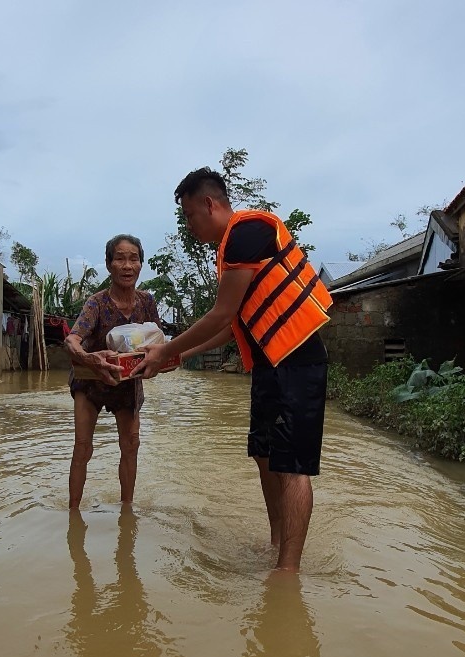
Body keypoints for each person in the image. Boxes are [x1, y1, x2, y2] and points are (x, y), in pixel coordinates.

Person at [132, 168, 332, 571]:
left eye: (190, 215)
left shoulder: (248, 231)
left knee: (292, 467)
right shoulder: (228, 252)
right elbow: (232, 326)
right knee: (264, 455)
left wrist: (165, 349)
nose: (189, 226)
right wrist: (180, 356)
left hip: (297, 359)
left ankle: (287, 570)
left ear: (209, 204)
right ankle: (276, 544)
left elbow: (221, 314)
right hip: (268, 365)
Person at [64, 234, 161, 508]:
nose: (127, 266)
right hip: (91, 381)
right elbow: (71, 340)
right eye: (119, 259)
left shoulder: (147, 302)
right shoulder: (96, 303)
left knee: (131, 445)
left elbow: (158, 342)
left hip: (127, 382)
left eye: (133, 259)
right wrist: (90, 359)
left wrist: (161, 360)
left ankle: (126, 511)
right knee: (82, 447)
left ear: (141, 264)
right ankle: (73, 513)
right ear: (109, 265)